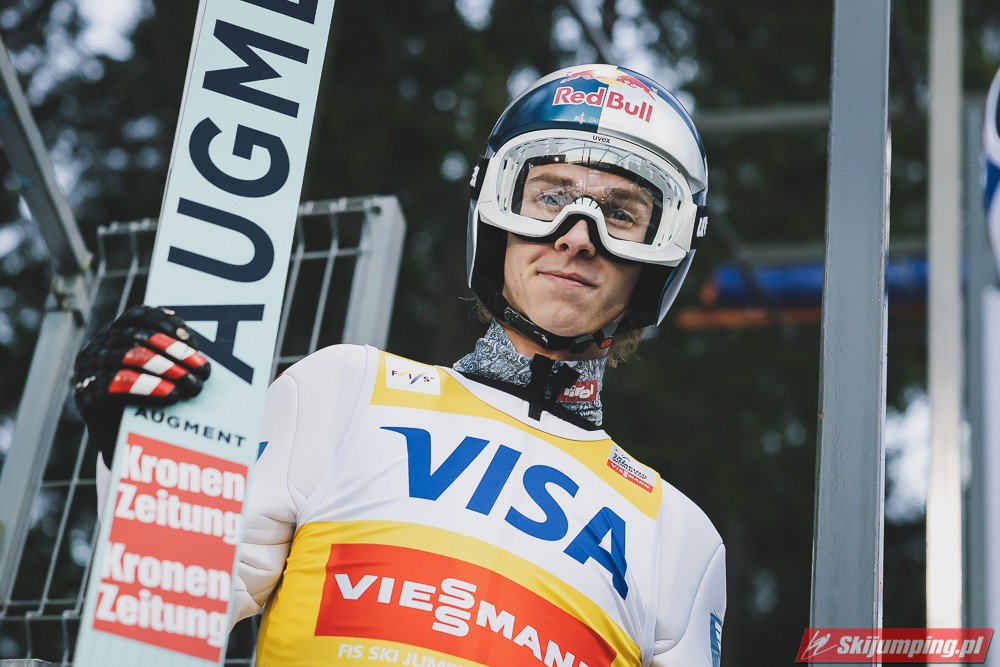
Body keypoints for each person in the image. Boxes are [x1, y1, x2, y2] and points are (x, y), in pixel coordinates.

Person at [75, 63, 725, 666]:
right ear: (495, 214)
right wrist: (131, 450)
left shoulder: (677, 536)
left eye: (621, 214)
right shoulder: (344, 390)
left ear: (661, 256)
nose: (579, 236)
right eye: (551, 197)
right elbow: (180, 592)